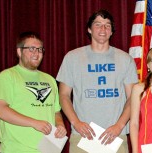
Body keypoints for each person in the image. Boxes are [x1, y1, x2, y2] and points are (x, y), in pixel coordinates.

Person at [56, 9, 138, 153]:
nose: (103, 29)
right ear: (89, 29)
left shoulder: (125, 59)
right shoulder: (72, 58)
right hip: (83, 136)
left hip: (115, 137)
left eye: (107, 25)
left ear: (112, 31)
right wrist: (76, 123)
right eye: (98, 24)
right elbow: (63, 95)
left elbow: (133, 97)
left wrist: (119, 125)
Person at [0, 31, 67, 153]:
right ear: (19, 52)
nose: (36, 53)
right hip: (17, 149)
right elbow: (0, 110)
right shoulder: (7, 76)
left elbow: (56, 111)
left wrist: (60, 125)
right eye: (31, 49)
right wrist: (34, 123)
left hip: (48, 149)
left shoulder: (50, 80)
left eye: (40, 49)